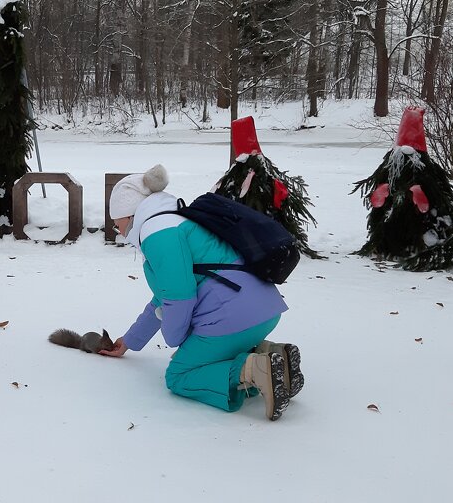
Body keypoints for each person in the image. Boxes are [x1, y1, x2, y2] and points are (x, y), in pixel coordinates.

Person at [100, 165, 304, 420]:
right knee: (196, 354)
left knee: (179, 375)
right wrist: (130, 340)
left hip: (233, 319)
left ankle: (254, 369)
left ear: (128, 213)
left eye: (115, 220)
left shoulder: (157, 233)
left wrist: (176, 339)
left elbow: (179, 298)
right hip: (262, 311)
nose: (116, 229)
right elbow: (162, 299)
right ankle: (272, 356)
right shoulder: (177, 221)